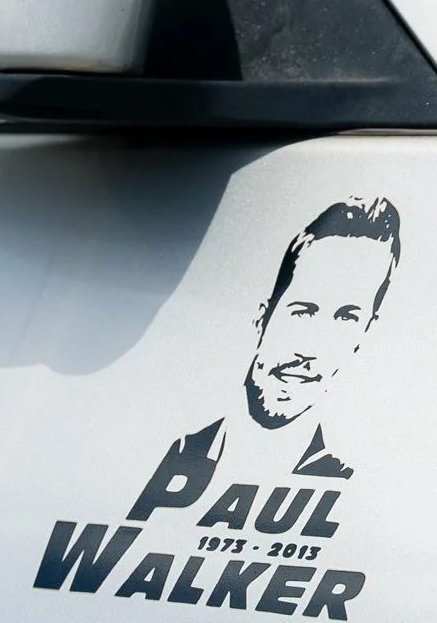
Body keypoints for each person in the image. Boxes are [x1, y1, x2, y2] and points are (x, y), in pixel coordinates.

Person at [127, 198, 400, 521]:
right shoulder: (157, 450)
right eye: (303, 311)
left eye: (346, 318)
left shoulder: (357, 495)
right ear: (263, 317)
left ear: (364, 335)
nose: (310, 348)